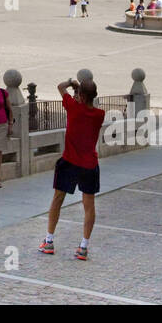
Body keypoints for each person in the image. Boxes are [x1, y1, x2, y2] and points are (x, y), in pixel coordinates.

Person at [39, 75, 104, 260]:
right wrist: (80, 91)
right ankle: (83, 247)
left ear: (80, 96)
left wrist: (71, 83)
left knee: (57, 199)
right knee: (89, 205)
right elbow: (88, 105)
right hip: (90, 164)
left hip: (69, 162)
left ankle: (49, 241)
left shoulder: (73, 108)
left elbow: (60, 86)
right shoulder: (100, 115)